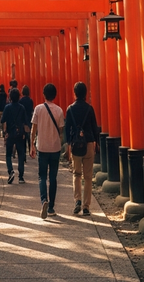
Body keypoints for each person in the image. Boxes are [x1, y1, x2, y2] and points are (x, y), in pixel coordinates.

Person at [30, 83, 64, 219]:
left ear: (44, 95)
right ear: (54, 95)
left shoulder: (38, 109)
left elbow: (33, 130)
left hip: (42, 147)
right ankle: (51, 208)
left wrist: (32, 145)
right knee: (53, 178)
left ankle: (44, 200)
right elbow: (61, 130)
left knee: (42, 176)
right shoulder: (59, 111)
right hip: (55, 147)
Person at [65, 82, 99, 216]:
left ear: (75, 93)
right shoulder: (89, 109)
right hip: (89, 143)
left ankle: (77, 200)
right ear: (85, 94)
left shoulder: (70, 109)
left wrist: (68, 146)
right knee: (88, 177)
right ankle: (86, 206)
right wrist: (96, 142)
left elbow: (67, 130)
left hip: (75, 145)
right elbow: (94, 127)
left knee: (77, 174)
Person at [1, 88, 28, 184]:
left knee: (8, 154)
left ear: (10, 97)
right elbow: (25, 122)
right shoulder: (22, 108)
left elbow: (3, 120)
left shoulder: (7, 107)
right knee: (21, 154)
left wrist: (5, 133)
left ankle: (11, 171)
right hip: (20, 133)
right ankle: (21, 177)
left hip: (10, 133)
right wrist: (25, 134)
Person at [20, 85, 35, 157]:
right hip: (29, 119)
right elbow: (32, 110)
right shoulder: (30, 100)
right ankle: (30, 150)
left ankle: (23, 153)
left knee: (23, 137)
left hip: (22, 120)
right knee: (29, 136)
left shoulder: (21, 100)